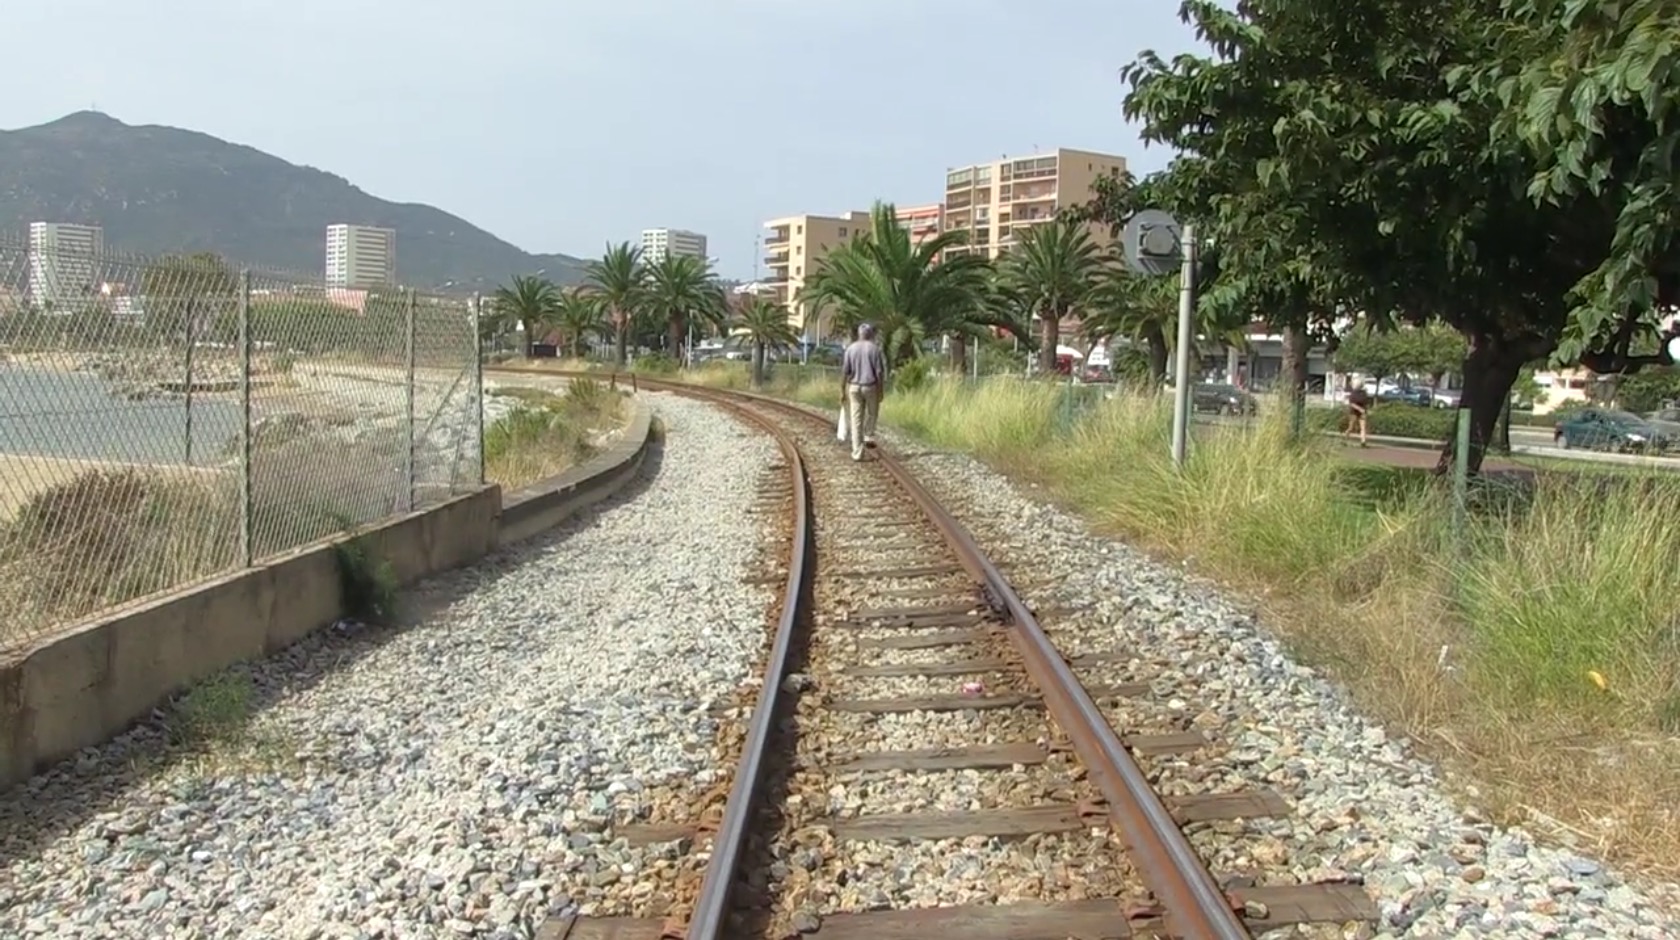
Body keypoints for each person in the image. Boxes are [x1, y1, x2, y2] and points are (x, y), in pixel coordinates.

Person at [841, 323, 887, 461]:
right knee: (873, 413)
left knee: (856, 420)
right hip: (870, 386)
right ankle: (868, 434)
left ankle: (857, 452)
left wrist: (842, 390)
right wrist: (881, 389)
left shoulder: (850, 349)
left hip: (854, 387)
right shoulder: (874, 349)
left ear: (859, 334)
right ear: (870, 334)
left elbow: (845, 372)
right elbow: (879, 372)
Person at [1343, 377, 1371, 447]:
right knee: (1351, 428)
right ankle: (1344, 439)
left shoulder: (1364, 393)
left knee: (1363, 427)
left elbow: (1366, 402)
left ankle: (1363, 442)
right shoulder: (1353, 394)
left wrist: (1366, 409)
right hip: (1354, 412)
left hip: (1362, 413)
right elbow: (1352, 404)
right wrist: (1359, 409)